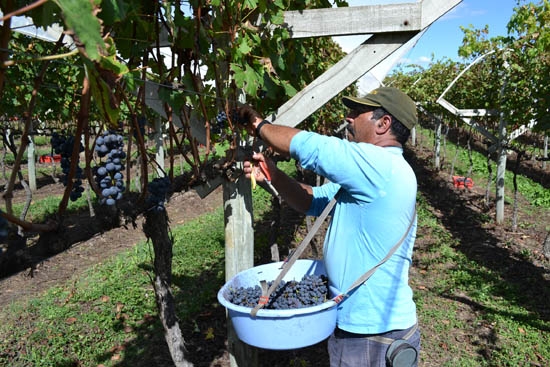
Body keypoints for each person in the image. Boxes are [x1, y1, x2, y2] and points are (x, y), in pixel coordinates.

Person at [240, 87, 420, 367]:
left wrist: (258, 125)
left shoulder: (382, 166)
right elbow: (311, 201)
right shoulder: (369, 176)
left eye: (357, 113)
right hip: (364, 327)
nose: (348, 118)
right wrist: (272, 174)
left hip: (373, 333)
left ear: (384, 124)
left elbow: (314, 147)